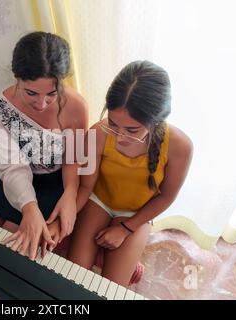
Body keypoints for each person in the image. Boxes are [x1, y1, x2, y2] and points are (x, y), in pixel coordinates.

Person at [68, 60, 193, 286]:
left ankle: (129, 262)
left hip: (138, 213)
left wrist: (126, 229)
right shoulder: (98, 132)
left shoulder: (180, 146)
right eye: (113, 124)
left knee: (111, 287)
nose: (120, 137)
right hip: (98, 201)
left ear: (156, 121)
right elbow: (85, 185)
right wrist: (65, 219)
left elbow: (166, 196)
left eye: (132, 130)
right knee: (72, 277)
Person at [0, 31, 88, 261]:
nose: (41, 103)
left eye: (51, 93)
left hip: (54, 181)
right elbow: (13, 166)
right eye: (31, 93)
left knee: (14, 239)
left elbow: (73, 157)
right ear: (17, 78)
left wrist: (70, 193)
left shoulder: (77, 107)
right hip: (16, 175)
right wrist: (29, 207)